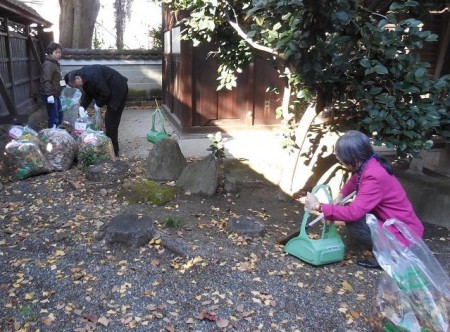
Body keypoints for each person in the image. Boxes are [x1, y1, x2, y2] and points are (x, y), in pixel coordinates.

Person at [304, 130, 424, 269]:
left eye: (341, 158)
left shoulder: (374, 176)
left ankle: (388, 256)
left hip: (404, 235)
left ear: (353, 158)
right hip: (401, 225)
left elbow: (353, 213)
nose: (341, 161)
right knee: (348, 209)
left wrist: (319, 206)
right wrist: (341, 195)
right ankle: (388, 249)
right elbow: (356, 179)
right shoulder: (371, 163)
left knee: (354, 222)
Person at [64, 65, 128, 157]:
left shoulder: (92, 75)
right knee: (109, 121)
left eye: (75, 85)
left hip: (118, 88)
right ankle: (110, 147)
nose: (76, 87)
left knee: (111, 120)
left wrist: (98, 104)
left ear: (77, 78)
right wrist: (83, 106)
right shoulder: (84, 77)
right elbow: (89, 94)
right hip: (110, 89)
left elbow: (105, 92)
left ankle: (114, 151)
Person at [39, 42, 63, 128]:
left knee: (59, 113)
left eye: (60, 52)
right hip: (50, 94)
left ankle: (57, 132)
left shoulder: (55, 63)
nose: (59, 54)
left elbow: (58, 78)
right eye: (56, 52)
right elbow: (46, 80)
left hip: (55, 94)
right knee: (54, 116)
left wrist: (63, 85)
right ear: (50, 52)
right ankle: (51, 135)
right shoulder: (48, 64)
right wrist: (49, 95)